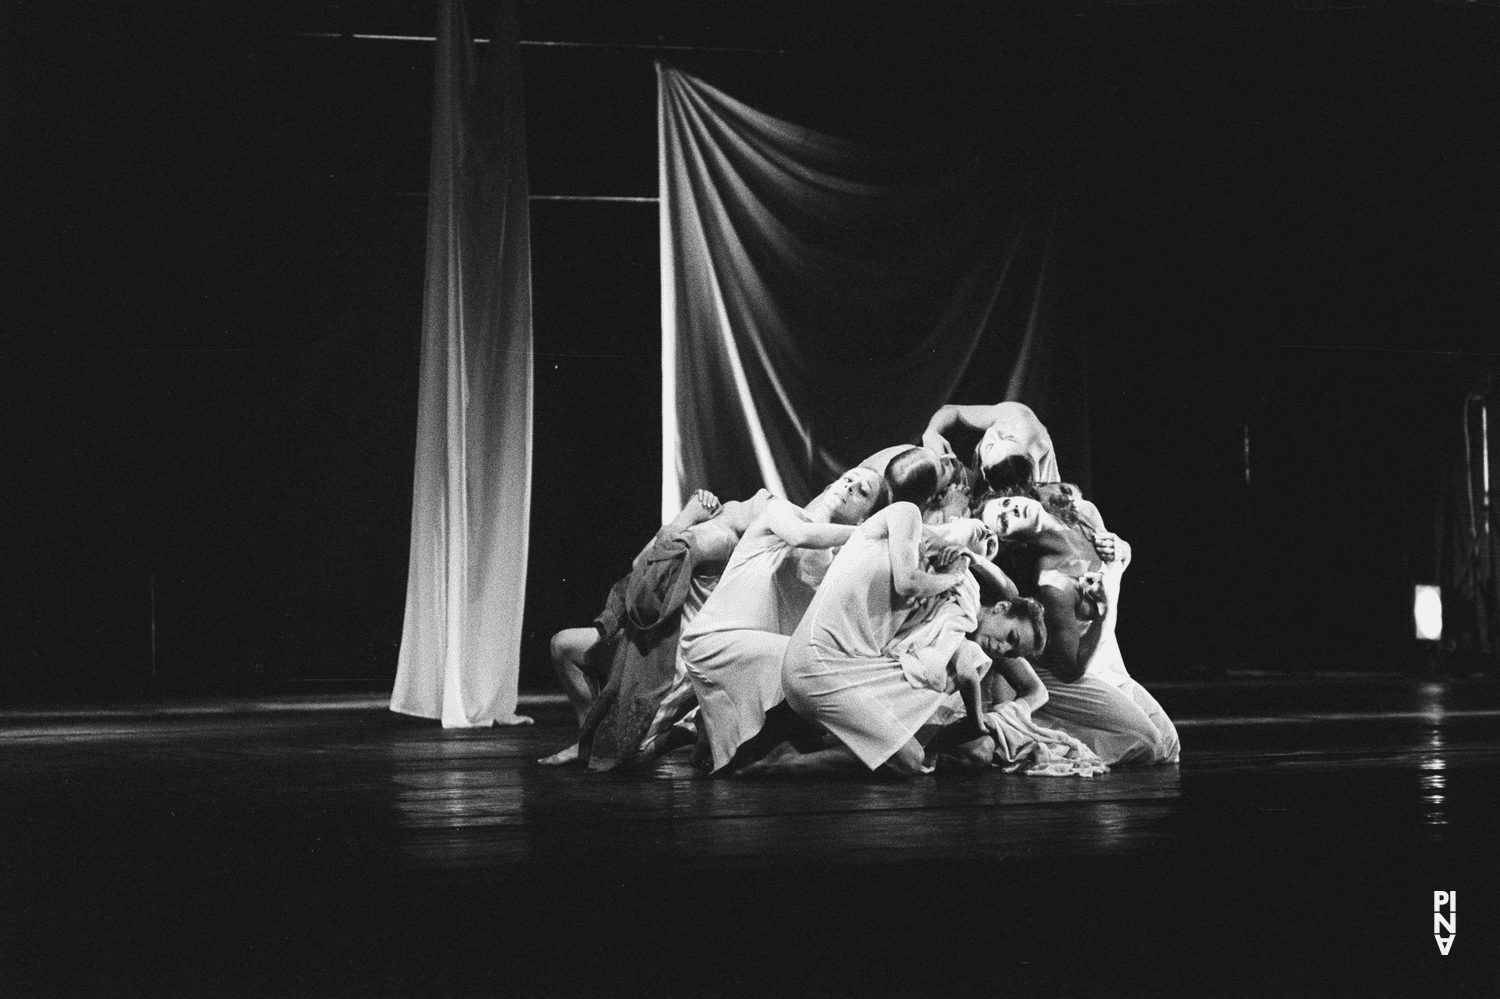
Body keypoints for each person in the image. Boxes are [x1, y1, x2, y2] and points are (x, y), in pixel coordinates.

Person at [743, 504, 1048, 778]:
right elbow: (909, 585)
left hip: (838, 667)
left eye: (1011, 650)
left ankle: (799, 751)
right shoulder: (909, 525)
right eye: (1010, 637)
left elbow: (946, 658)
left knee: (931, 747)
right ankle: (785, 763)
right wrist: (958, 572)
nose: (1003, 649)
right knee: (911, 757)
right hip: (814, 664)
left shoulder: (949, 602)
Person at [538, 487, 772, 768]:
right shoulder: (711, 529)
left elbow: (644, 570)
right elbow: (642, 563)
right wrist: (688, 518)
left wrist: (687, 515)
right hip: (652, 639)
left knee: (620, 760)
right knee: (565, 646)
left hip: (674, 656)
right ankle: (589, 738)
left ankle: (684, 731)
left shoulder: (720, 539)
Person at [680, 467, 888, 774]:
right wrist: (875, 532)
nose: (850, 486)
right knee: (809, 665)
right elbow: (803, 536)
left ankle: (719, 736)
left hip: (761, 654)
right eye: (848, 479)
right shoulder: (780, 511)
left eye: (862, 491)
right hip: (716, 638)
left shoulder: (841, 564)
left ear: (863, 515)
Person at [979, 494, 1179, 766]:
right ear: (1010, 539)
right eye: (1004, 521)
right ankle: (1033, 734)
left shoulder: (1083, 513)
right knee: (1147, 745)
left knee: (1170, 746)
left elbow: (1116, 562)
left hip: (1104, 649)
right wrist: (1105, 610)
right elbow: (1071, 669)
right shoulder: (1052, 584)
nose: (1012, 509)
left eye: (1005, 503)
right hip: (1068, 668)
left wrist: (1123, 549)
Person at [922, 402, 1059, 494]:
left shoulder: (1041, 491)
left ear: (983, 470)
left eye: (990, 447)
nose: (993, 435)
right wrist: (931, 432)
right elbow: (952, 410)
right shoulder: (1016, 416)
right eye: (1006, 437)